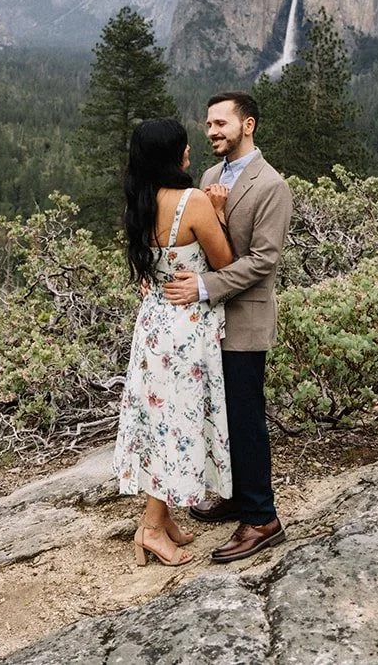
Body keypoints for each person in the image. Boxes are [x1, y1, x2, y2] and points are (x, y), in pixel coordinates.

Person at [162, 90, 292, 564]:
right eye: (209, 124)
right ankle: (237, 495)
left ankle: (262, 519)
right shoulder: (212, 176)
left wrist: (202, 286)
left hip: (245, 319)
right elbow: (205, 236)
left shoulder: (271, 185)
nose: (212, 131)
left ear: (248, 125)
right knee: (222, 414)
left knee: (245, 417)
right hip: (210, 323)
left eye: (221, 124)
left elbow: (263, 262)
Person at [111, 117, 235, 567]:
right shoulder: (194, 202)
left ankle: (162, 523)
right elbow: (225, 264)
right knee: (177, 425)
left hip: (153, 326)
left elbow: (150, 271)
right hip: (186, 329)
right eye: (184, 148)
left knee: (156, 419)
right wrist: (219, 217)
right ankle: (149, 527)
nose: (190, 153)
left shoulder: (137, 203)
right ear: (173, 156)